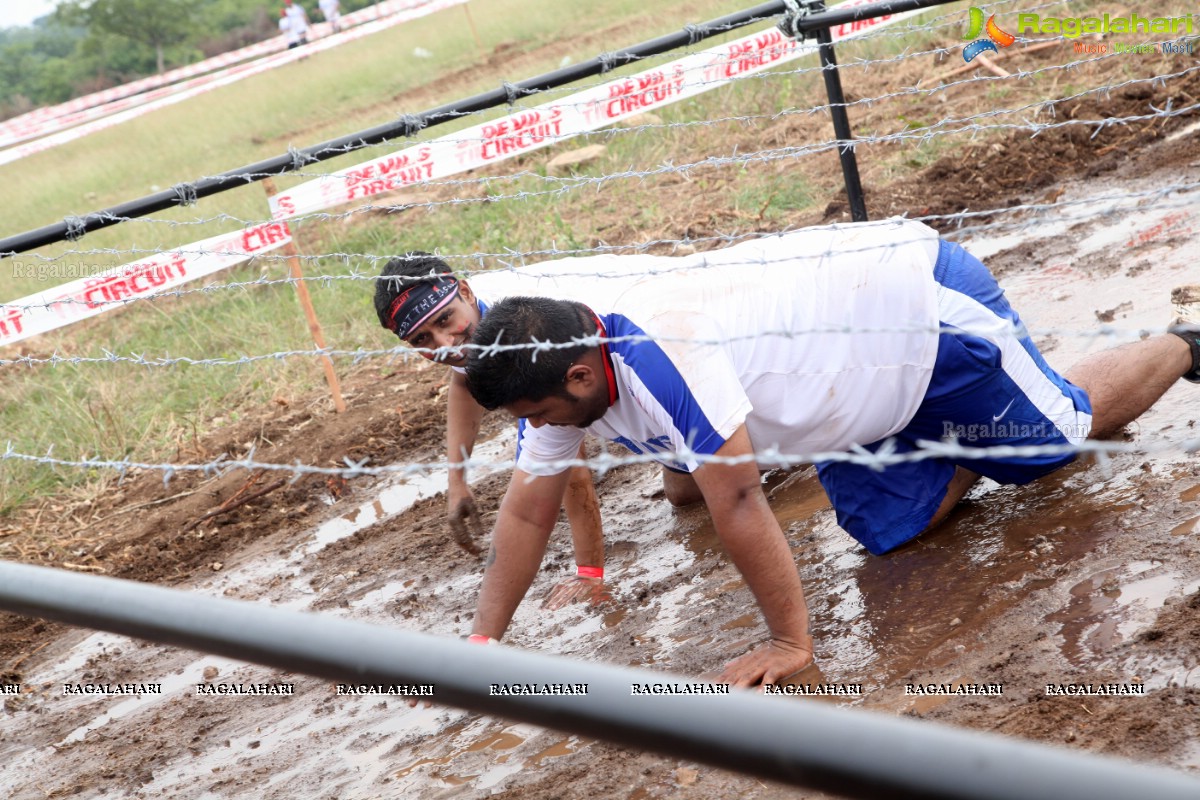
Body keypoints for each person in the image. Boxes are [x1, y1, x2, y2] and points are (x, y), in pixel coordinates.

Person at [460, 217, 1200, 687]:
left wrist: (790, 641)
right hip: (851, 391)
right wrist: (482, 643)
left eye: (537, 415)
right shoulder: (555, 368)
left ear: (582, 374)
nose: (540, 430)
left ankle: (1180, 344)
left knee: (1060, 437)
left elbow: (741, 499)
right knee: (889, 533)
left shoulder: (662, 350)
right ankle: (971, 443)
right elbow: (527, 516)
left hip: (916, 313)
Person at [374, 252, 639, 608]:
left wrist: (589, 575)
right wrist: (457, 483)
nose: (445, 345)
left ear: (465, 292)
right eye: (423, 340)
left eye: (445, 320)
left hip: (640, 330)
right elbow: (463, 383)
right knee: (682, 492)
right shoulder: (469, 329)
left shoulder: (517, 332)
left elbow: (568, 466)